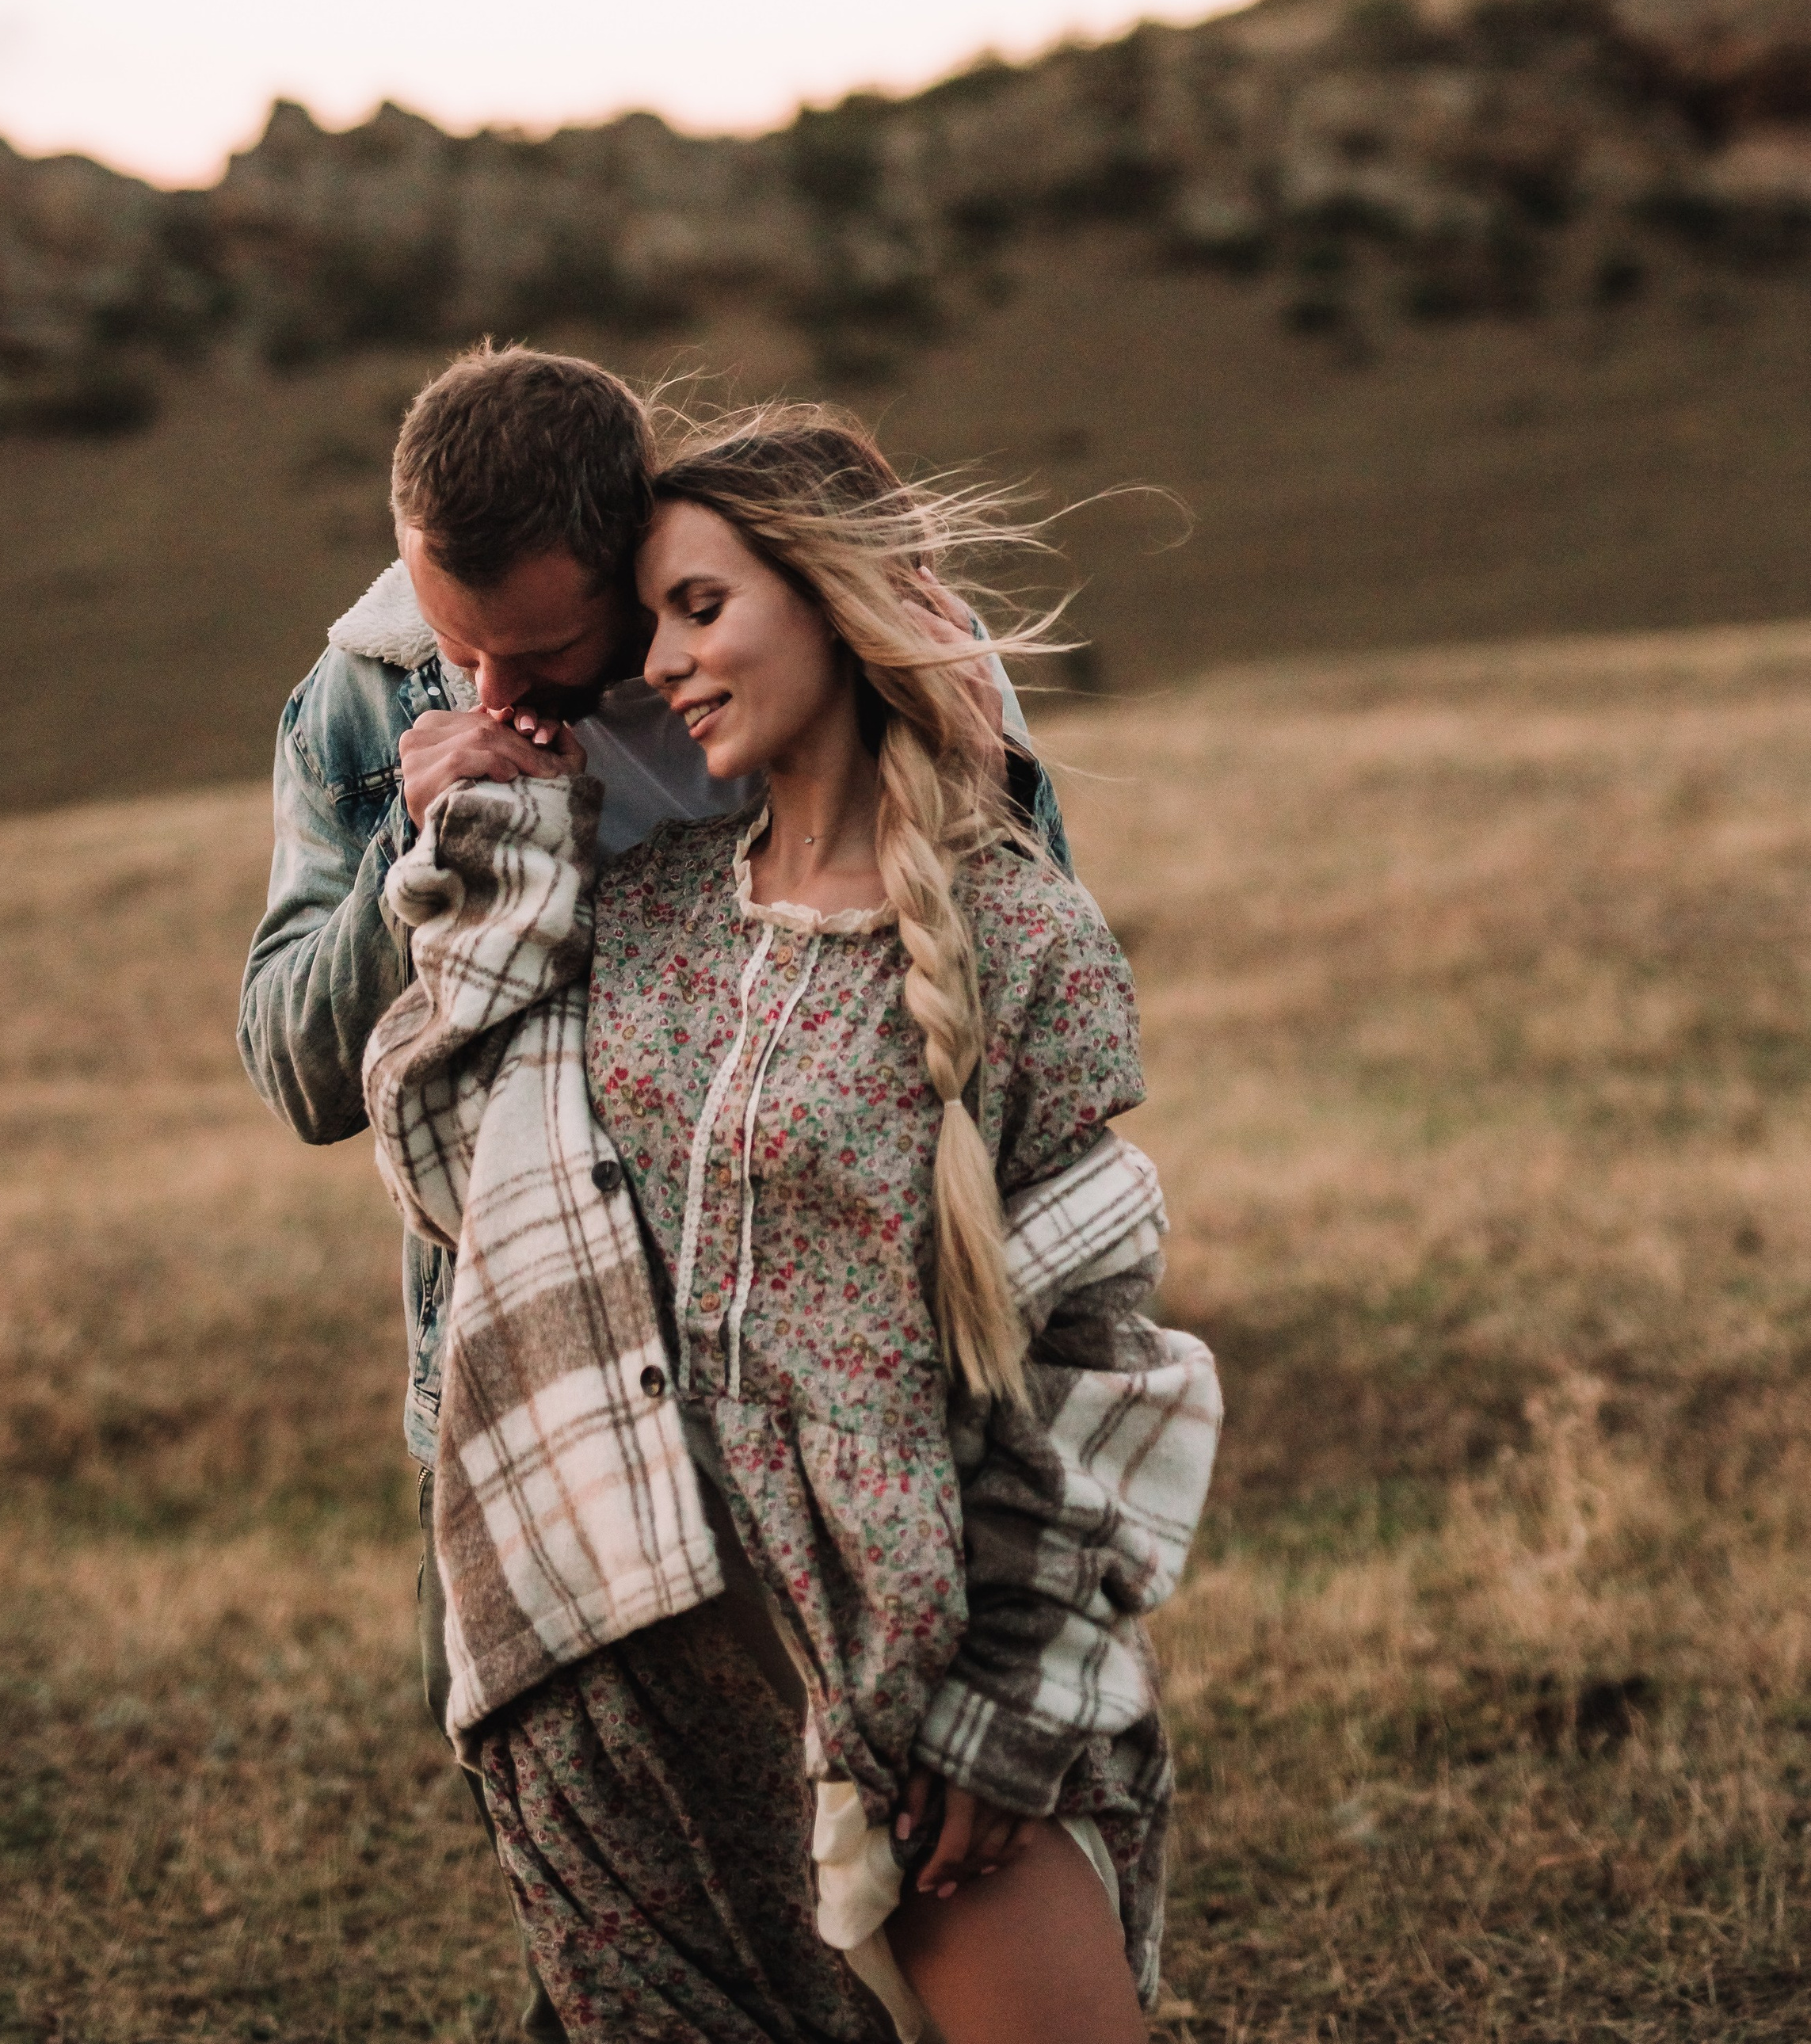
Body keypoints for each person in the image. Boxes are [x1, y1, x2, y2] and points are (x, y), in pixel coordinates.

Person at [236, 347, 1070, 2037]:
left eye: (540, 653)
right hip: (525, 1394)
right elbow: (295, 1067)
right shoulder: (367, 696)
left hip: (831, 1391)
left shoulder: (782, 646)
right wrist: (417, 852)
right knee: (621, 1933)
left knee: (881, 1910)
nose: (487, 686)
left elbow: (1020, 989)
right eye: (453, 633)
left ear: (630, 562)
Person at [364, 411, 1221, 2043]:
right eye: (651, 620)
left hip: (907, 1683)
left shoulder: (1023, 933)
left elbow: (1091, 1357)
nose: (659, 665)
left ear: (834, 600)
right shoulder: (643, 913)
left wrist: (1007, 1698)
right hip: (631, 1672)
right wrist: (488, 837)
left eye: (700, 608)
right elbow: (453, 1163)